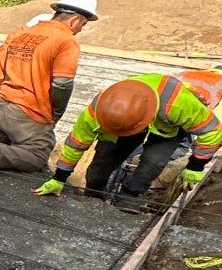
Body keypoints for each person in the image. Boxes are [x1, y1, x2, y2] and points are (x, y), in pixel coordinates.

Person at [0, 0, 98, 178]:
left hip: (0, 107)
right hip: (29, 114)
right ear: (75, 19)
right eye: (82, 24)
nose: (79, 30)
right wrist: (56, 112)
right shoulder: (66, 41)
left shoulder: (25, 34)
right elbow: (62, 84)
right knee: (36, 157)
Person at [34, 73, 221, 204]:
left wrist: (195, 167)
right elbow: (76, 144)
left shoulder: (179, 103)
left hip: (168, 125)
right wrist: (59, 178)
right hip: (124, 118)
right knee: (103, 159)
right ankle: (94, 194)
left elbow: (213, 131)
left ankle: (130, 195)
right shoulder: (98, 110)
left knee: (153, 162)